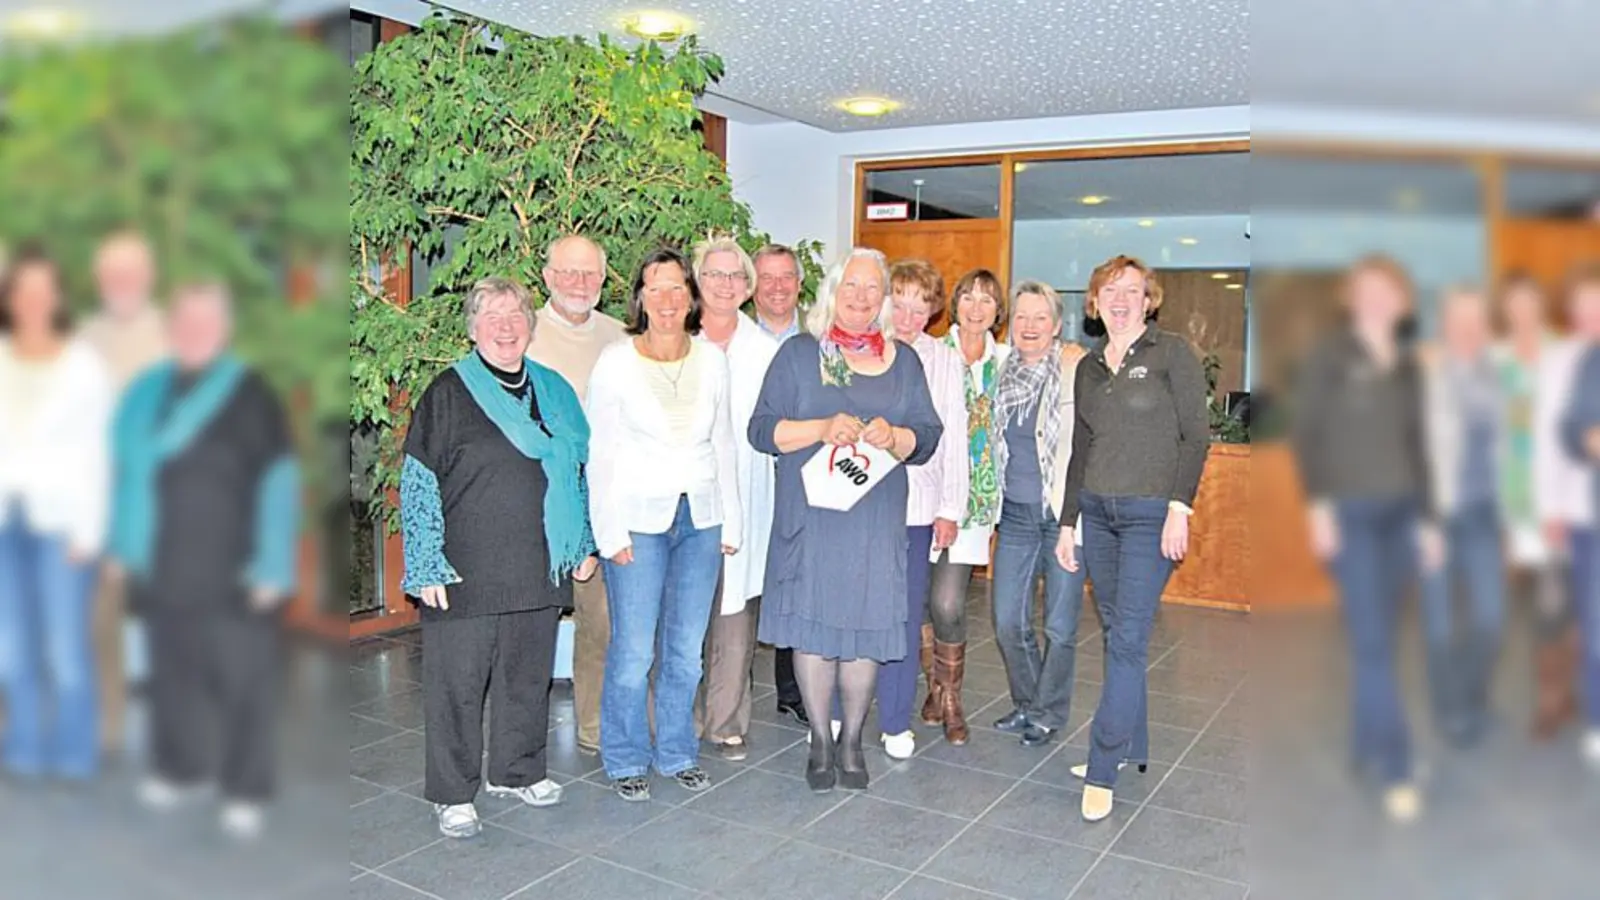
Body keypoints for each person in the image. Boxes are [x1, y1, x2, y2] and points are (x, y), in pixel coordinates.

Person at [399, 276, 598, 839]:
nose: (506, 326)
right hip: (464, 567)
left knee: (525, 676)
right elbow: (418, 477)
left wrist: (580, 542)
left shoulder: (554, 390)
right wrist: (424, 561)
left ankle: (516, 770)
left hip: (537, 563)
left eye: (516, 315)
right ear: (473, 327)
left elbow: (573, 473)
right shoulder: (450, 391)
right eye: (493, 316)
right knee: (457, 684)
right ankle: (453, 792)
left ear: (531, 327)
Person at [108, 281, 299, 840]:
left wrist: (273, 567)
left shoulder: (251, 393)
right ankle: (180, 768)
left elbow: (280, 482)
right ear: (171, 327)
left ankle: (245, 787)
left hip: (235, 568)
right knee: (173, 676)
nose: (195, 331)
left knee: (243, 681)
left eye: (207, 321)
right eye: (186, 321)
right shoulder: (146, 390)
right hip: (161, 563)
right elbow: (126, 475)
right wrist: (122, 547)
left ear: (225, 327)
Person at [749, 247, 943, 792]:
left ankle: (853, 739)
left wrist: (897, 437)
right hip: (811, 521)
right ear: (832, 293)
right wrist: (819, 427)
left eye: (871, 289)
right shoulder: (799, 354)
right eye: (850, 287)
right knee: (813, 629)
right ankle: (818, 737)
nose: (860, 298)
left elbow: (926, 437)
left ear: (883, 299)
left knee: (866, 630)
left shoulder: (903, 362)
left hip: (875, 524)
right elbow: (762, 430)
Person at [1054, 255, 1207, 823]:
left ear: (1150, 299)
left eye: (1132, 290)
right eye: (1109, 290)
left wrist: (1179, 508)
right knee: (1117, 631)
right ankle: (1130, 746)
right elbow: (1081, 451)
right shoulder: (1088, 367)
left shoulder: (1172, 355)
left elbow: (1196, 438)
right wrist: (1069, 522)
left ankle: (1101, 766)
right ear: (1094, 301)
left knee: (1127, 641)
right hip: (1098, 512)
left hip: (1149, 517)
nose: (1120, 299)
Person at [587, 247, 741, 802]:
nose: (670, 299)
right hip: (637, 523)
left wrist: (731, 521)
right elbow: (599, 454)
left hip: (700, 520)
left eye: (679, 287)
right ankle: (625, 756)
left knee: (684, 648)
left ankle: (676, 751)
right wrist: (608, 533)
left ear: (691, 296)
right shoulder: (615, 361)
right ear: (641, 299)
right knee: (633, 650)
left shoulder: (712, 360)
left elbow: (722, 442)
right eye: (657, 288)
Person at [1286, 255, 1434, 823]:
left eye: (1386, 290)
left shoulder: (1410, 365)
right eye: (1366, 290)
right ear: (1351, 298)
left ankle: (1364, 740)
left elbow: (1422, 448)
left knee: (1382, 639)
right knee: (1372, 640)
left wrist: (1429, 521)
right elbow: (1308, 435)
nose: (1376, 300)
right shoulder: (1331, 356)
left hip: (1403, 517)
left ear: (1402, 301)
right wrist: (1320, 507)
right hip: (1352, 516)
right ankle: (1397, 765)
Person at [826, 259, 967, 760]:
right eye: (898, 303)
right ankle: (841, 713)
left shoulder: (944, 361)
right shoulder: (854, 349)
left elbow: (951, 440)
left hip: (917, 505)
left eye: (918, 306)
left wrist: (951, 507)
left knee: (904, 616)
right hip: (855, 501)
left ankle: (892, 720)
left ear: (932, 312)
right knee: (850, 604)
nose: (906, 317)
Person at [0, 245, 114, 784]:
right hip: (5, 522)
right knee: (10, 648)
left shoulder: (81, 365)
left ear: (57, 298)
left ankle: (74, 752)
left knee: (65, 647)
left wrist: (91, 531)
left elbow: (98, 453)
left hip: (61, 525)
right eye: (24, 289)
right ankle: (24, 743)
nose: (34, 300)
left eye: (44, 290)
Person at [527, 235, 628, 757]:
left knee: (600, 623)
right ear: (547, 277)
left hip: (601, 503)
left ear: (604, 279)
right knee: (528, 623)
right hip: (532, 504)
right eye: (567, 273)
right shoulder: (520, 332)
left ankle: (593, 727)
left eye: (589, 274)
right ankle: (515, 740)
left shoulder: (619, 337)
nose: (578, 284)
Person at [76, 230, 168, 763]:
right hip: (101, 495)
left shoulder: (170, 334)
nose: (122, 284)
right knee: (102, 614)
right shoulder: (85, 336)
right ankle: (108, 726)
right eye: (112, 275)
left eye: (131, 273)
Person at [690, 236, 779, 761]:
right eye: (713, 274)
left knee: (734, 615)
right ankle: (678, 719)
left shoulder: (767, 352)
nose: (724, 284)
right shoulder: (674, 342)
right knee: (682, 614)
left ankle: (725, 721)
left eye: (733, 276)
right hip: (686, 499)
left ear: (747, 288)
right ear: (697, 282)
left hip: (748, 495)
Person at [990, 282, 1089, 749]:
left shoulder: (1074, 369)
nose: (1029, 326)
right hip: (1015, 514)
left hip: (1064, 516)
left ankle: (1049, 713)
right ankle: (1029, 703)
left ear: (1056, 326)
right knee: (1008, 620)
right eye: (1021, 316)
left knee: (1059, 625)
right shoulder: (1001, 371)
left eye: (1039, 318)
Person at [1418, 288, 1506, 748]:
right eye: (1459, 320)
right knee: (1440, 624)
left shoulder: (1496, 374)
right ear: (1445, 324)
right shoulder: (1427, 374)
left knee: (1490, 618)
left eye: (1475, 320)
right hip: (1437, 517)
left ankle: (1473, 698)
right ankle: (1450, 709)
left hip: (1484, 516)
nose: (1467, 329)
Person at [925, 268, 1009, 746]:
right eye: (969, 298)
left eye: (987, 300)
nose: (977, 308)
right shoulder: (935, 354)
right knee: (920, 599)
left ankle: (951, 697)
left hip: (977, 499)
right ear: (954, 304)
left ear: (998, 312)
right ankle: (936, 689)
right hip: (928, 490)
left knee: (948, 601)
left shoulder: (1007, 360)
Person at [751, 242, 808, 723]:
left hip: (803, 483)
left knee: (796, 580)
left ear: (799, 283)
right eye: (766, 277)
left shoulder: (820, 340)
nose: (776, 286)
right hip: (747, 479)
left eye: (785, 276)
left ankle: (794, 689)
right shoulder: (731, 339)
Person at [1555, 262, 1600, 766]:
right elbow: (1567, 428)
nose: (1592, 321)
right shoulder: (1586, 364)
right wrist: (1583, 438)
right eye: (1584, 314)